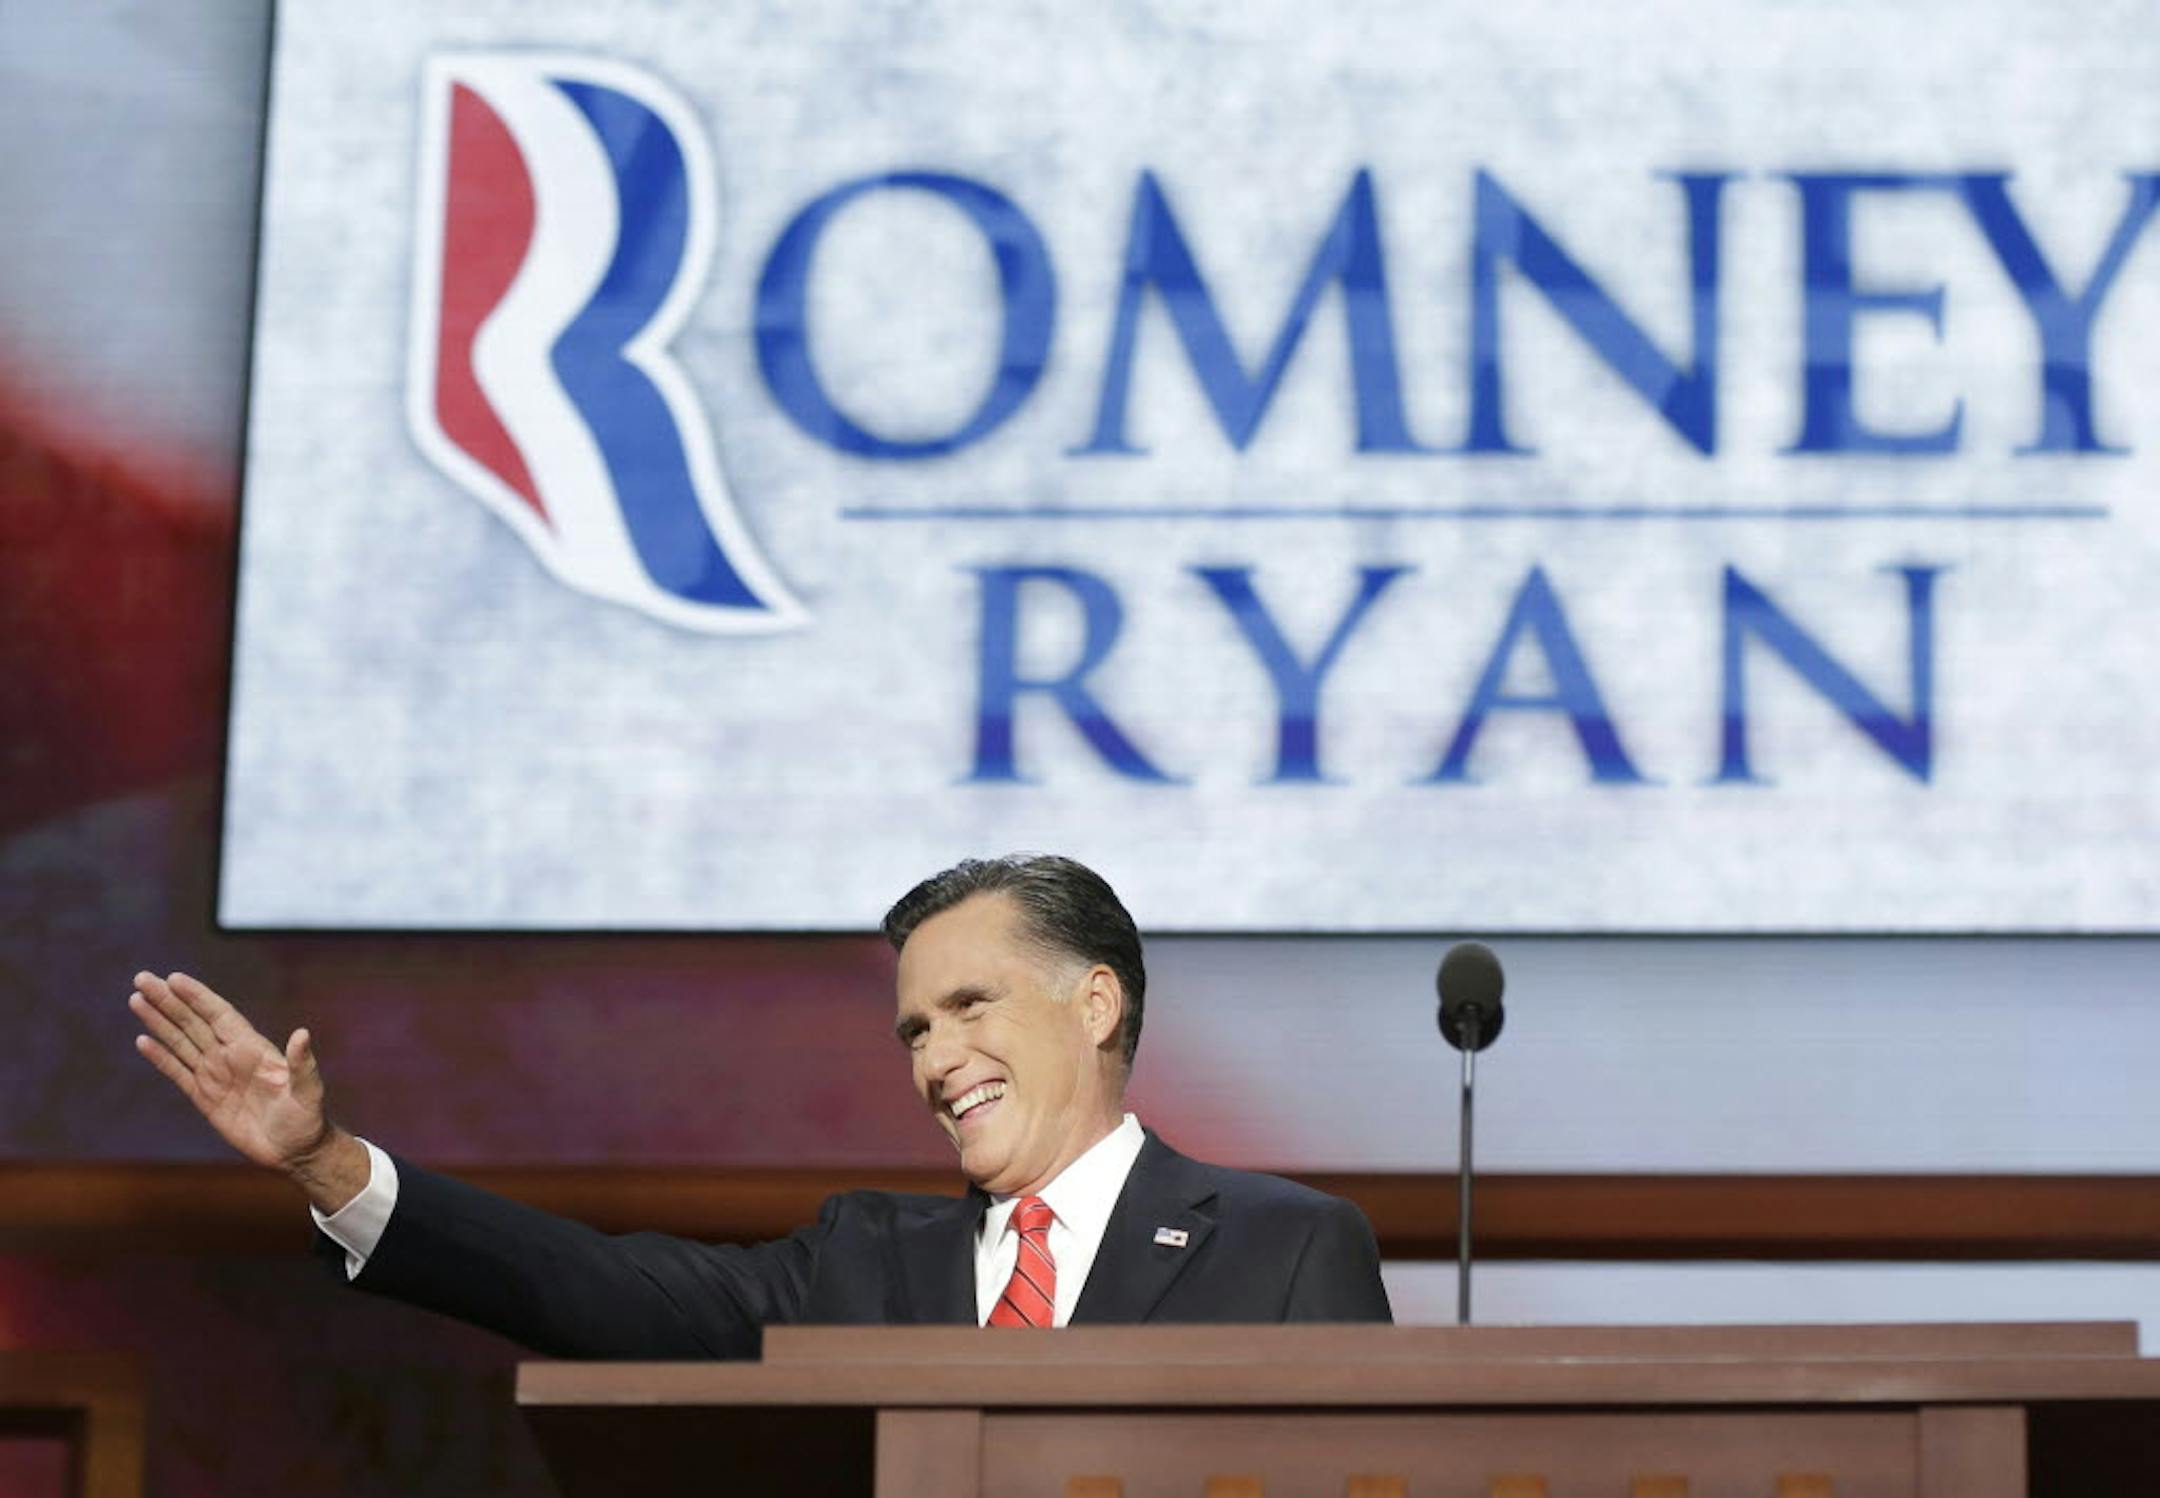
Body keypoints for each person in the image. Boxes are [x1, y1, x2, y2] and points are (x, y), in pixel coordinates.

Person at [129, 854, 1391, 1356]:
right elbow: (595, 1287)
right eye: (915, 1029)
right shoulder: (864, 1256)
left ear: (1095, 1003)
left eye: (971, 1005)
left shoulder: (1282, 1245)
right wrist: (327, 1160)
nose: (936, 1058)